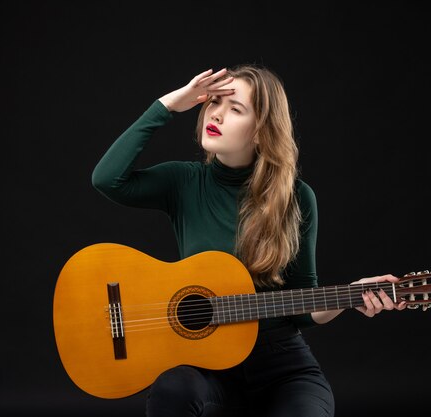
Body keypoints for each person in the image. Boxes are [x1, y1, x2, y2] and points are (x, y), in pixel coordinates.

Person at [92, 65, 407, 417]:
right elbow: (107, 179)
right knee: (173, 390)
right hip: (206, 368)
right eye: (213, 102)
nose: (216, 114)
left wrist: (353, 295)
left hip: (282, 367)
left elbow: (303, 306)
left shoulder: (297, 198)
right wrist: (167, 105)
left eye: (235, 109)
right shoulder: (183, 183)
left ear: (260, 132)